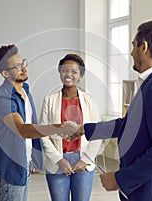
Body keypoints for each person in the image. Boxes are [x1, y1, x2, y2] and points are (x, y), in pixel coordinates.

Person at [67, 20, 152, 201]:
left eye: (133, 46)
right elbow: (129, 125)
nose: (131, 52)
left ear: (144, 46)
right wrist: (84, 129)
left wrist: (119, 179)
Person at [0, 44, 76, 201]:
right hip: (10, 167)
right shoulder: (3, 99)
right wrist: (59, 127)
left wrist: (33, 159)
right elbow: (22, 130)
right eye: (17, 66)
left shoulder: (25, 91)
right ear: (5, 73)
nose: (24, 68)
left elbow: (31, 123)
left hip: (24, 163)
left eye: (23, 63)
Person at [39, 54, 103, 201]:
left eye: (74, 71)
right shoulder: (49, 100)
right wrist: (58, 160)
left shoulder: (89, 100)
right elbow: (43, 133)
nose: (69, 74)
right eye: (64, 70)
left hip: (83, 162)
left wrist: (85, 159)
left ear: (80, 75)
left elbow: (97, 132)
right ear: (59, 72)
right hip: (57, 162)